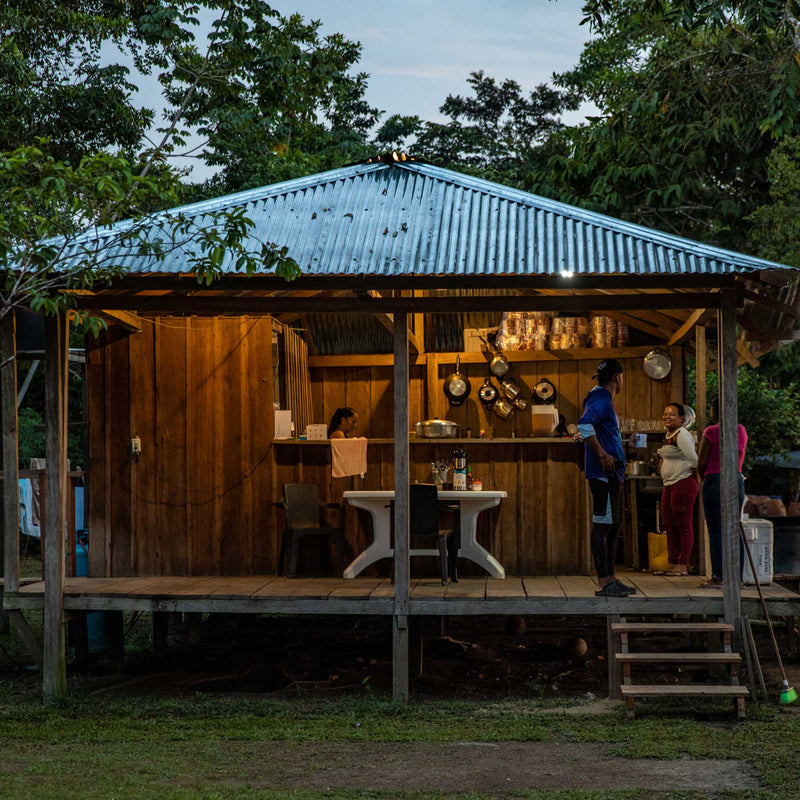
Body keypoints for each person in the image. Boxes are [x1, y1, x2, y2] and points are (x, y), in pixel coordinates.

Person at [578, 358, 636, 597]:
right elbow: (583, 426)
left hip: (611, 473)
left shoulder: (601, 398)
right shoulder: (600, 398)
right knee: (602, 526)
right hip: (602, 473)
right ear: (618, 378)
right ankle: (603, 581)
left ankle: (611, 577)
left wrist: (622, 445)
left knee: (612, 527)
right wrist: (602, 454)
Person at [696, 395, 748, 588]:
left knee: (716, 530)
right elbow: (741, 457)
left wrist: (703, 477)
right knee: (734, 529)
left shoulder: (711, 431)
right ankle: (737, 578)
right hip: (736, 479)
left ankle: (719, 576)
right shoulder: (741, 430)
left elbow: (701, 462)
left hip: (715, 480)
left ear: (713, 411)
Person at [657, 402, 699, 576]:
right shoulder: (668, 434)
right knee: (669, 524)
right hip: (669, 484)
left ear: (682, 418)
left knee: (683, 525)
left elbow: (694, 460)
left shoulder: (682, 434)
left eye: (672, 414)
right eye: (666, 414)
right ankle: (672, 562)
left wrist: (696, 481)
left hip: (683, 483)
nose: (667, 417)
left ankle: (682, 564)